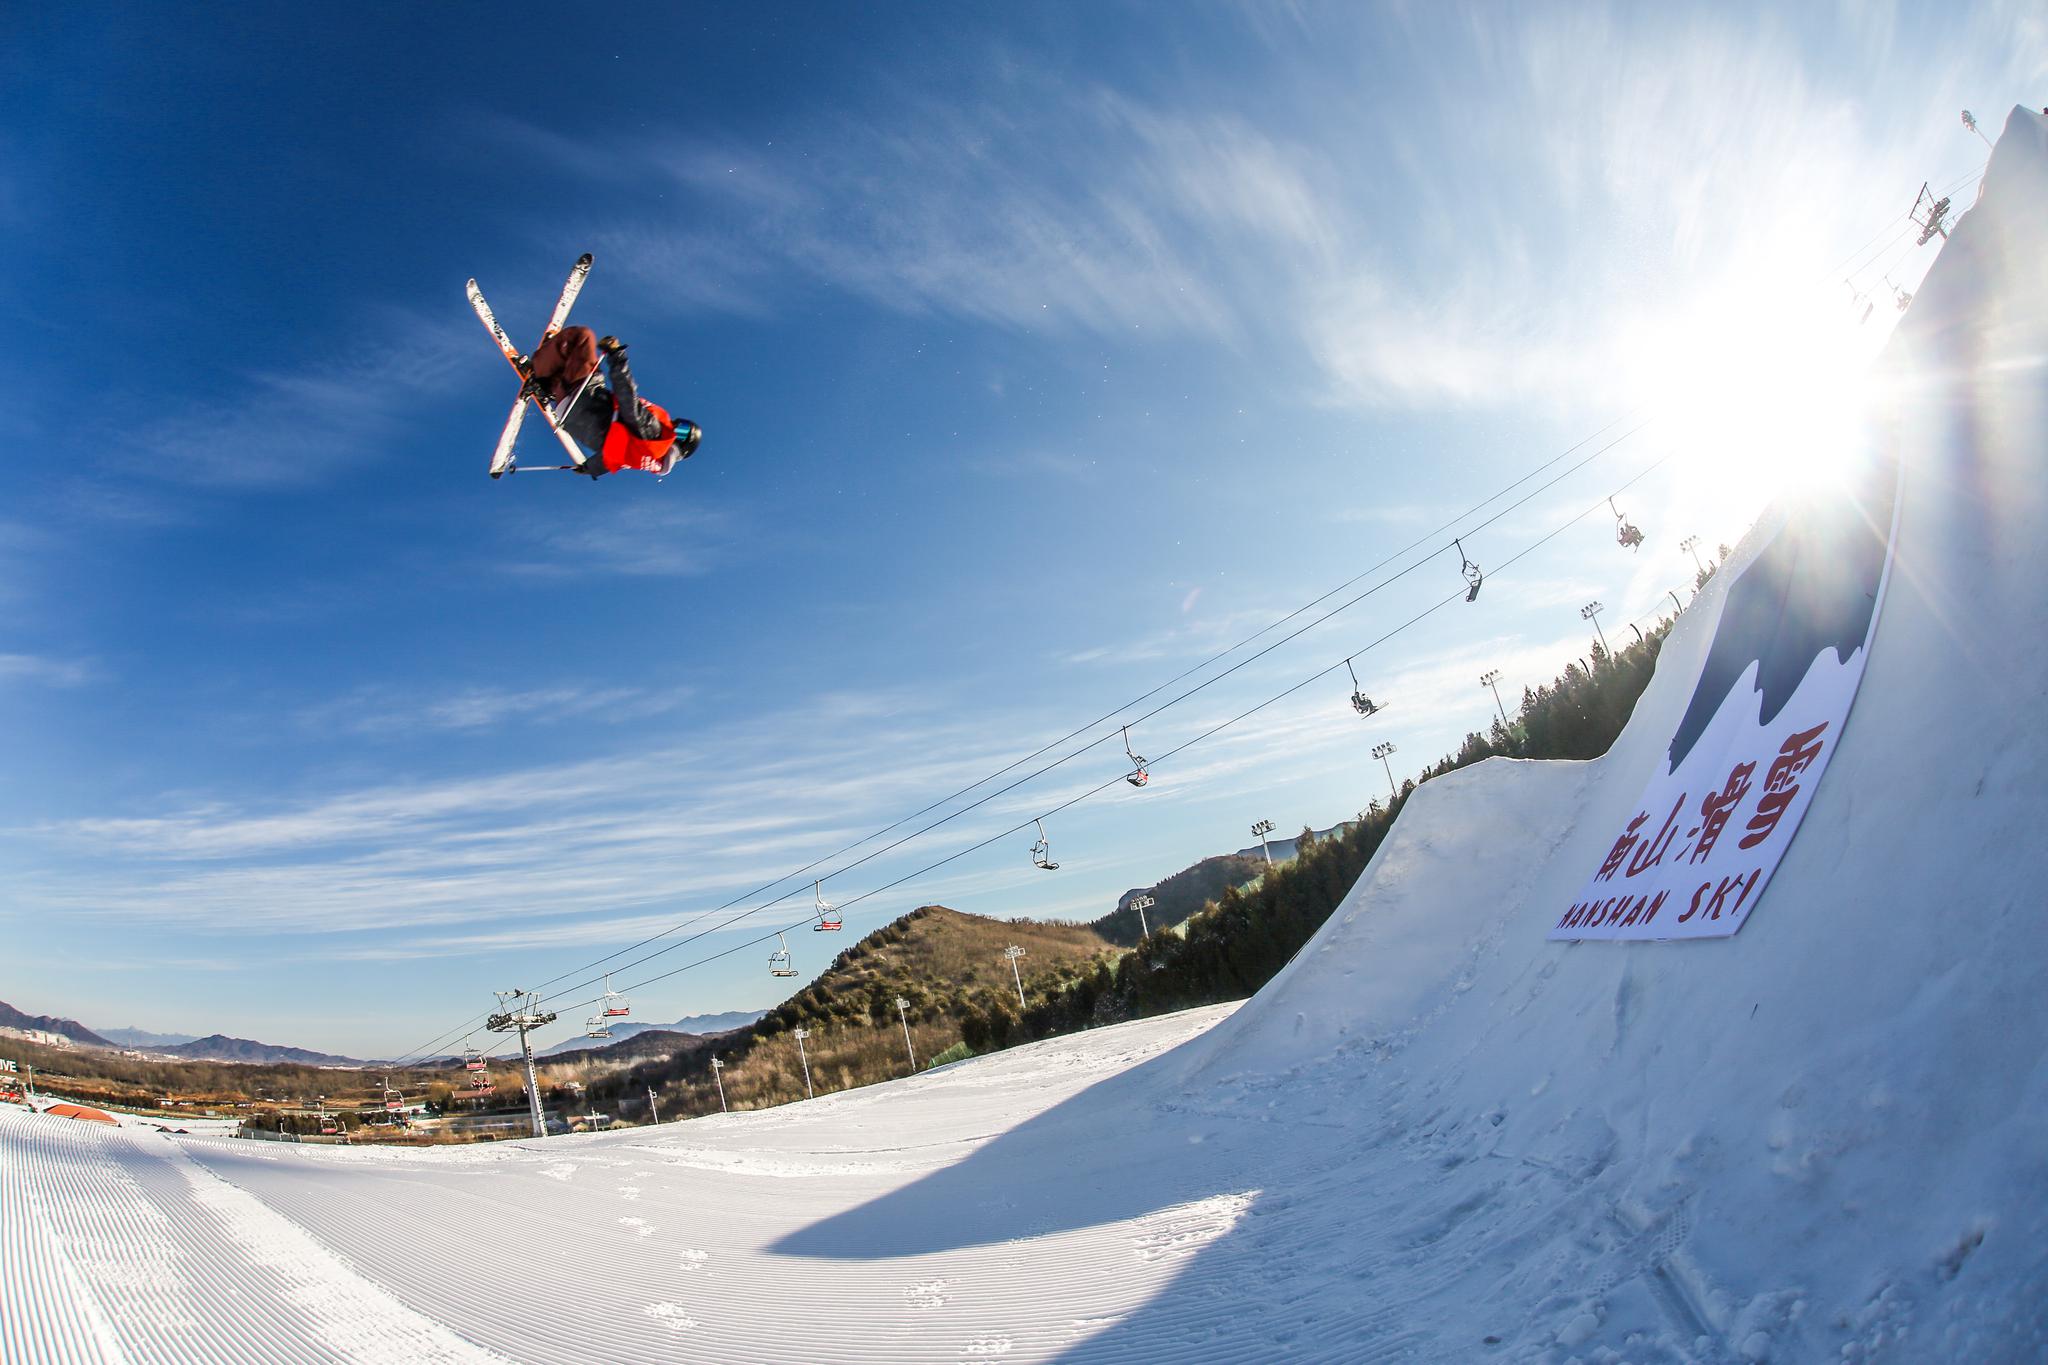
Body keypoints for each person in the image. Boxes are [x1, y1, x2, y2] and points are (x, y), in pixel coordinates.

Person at [526, 326, 701, 477]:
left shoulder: (656, 433)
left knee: (582, 336)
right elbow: (609, 459)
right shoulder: (644, 457)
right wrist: (588, 468)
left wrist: (617, 355)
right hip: (568, 414)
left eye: (682, 431)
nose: (675, 426)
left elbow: (628, 402)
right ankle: (546, 377)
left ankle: (539, 367)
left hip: (588, 399)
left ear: (680, 444)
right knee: (564, 371)